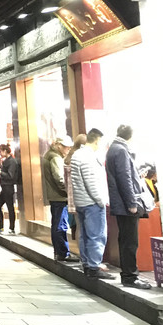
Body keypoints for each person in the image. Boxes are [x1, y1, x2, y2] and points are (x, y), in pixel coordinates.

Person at [106, 124, 152, 289]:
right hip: (125, 204)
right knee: (130, 241)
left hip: (121, 203)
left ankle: (128, 275)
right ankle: (130, 277)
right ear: (130, 136)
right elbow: (124, 178)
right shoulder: (121, 150)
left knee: (126, 240)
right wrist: (131, 203)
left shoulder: (115, 148)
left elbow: (125, 176)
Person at [70, 128, 114, 280]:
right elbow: (91, 182)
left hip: (81, 201)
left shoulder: (77, 154)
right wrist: (101, 200)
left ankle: (87, 264)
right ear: (97, 140)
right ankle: (94, 266)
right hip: (92, 202)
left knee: (85, 235)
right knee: (96, 235)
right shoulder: (87, 156)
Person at [42, 137, 74, 261]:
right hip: (59, 197)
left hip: (55, 196)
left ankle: (59, 252)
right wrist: (68, 192)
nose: (68, 149)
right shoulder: (55, 157)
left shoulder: (50, 155)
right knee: (60, 225)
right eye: (66, 147)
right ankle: (63, 253)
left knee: (57, 224)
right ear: (59, 145)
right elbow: (59, 179)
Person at [0, 144, 19, 235]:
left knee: (10, 207)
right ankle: (1, 227)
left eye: (0, 151)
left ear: (5, 151)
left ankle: (11, 228)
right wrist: (0, 166)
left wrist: (0, 172)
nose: (0, 153)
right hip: (4, 188)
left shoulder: (12, 161)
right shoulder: (6, 161)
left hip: (8, 187)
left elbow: (10, 176)